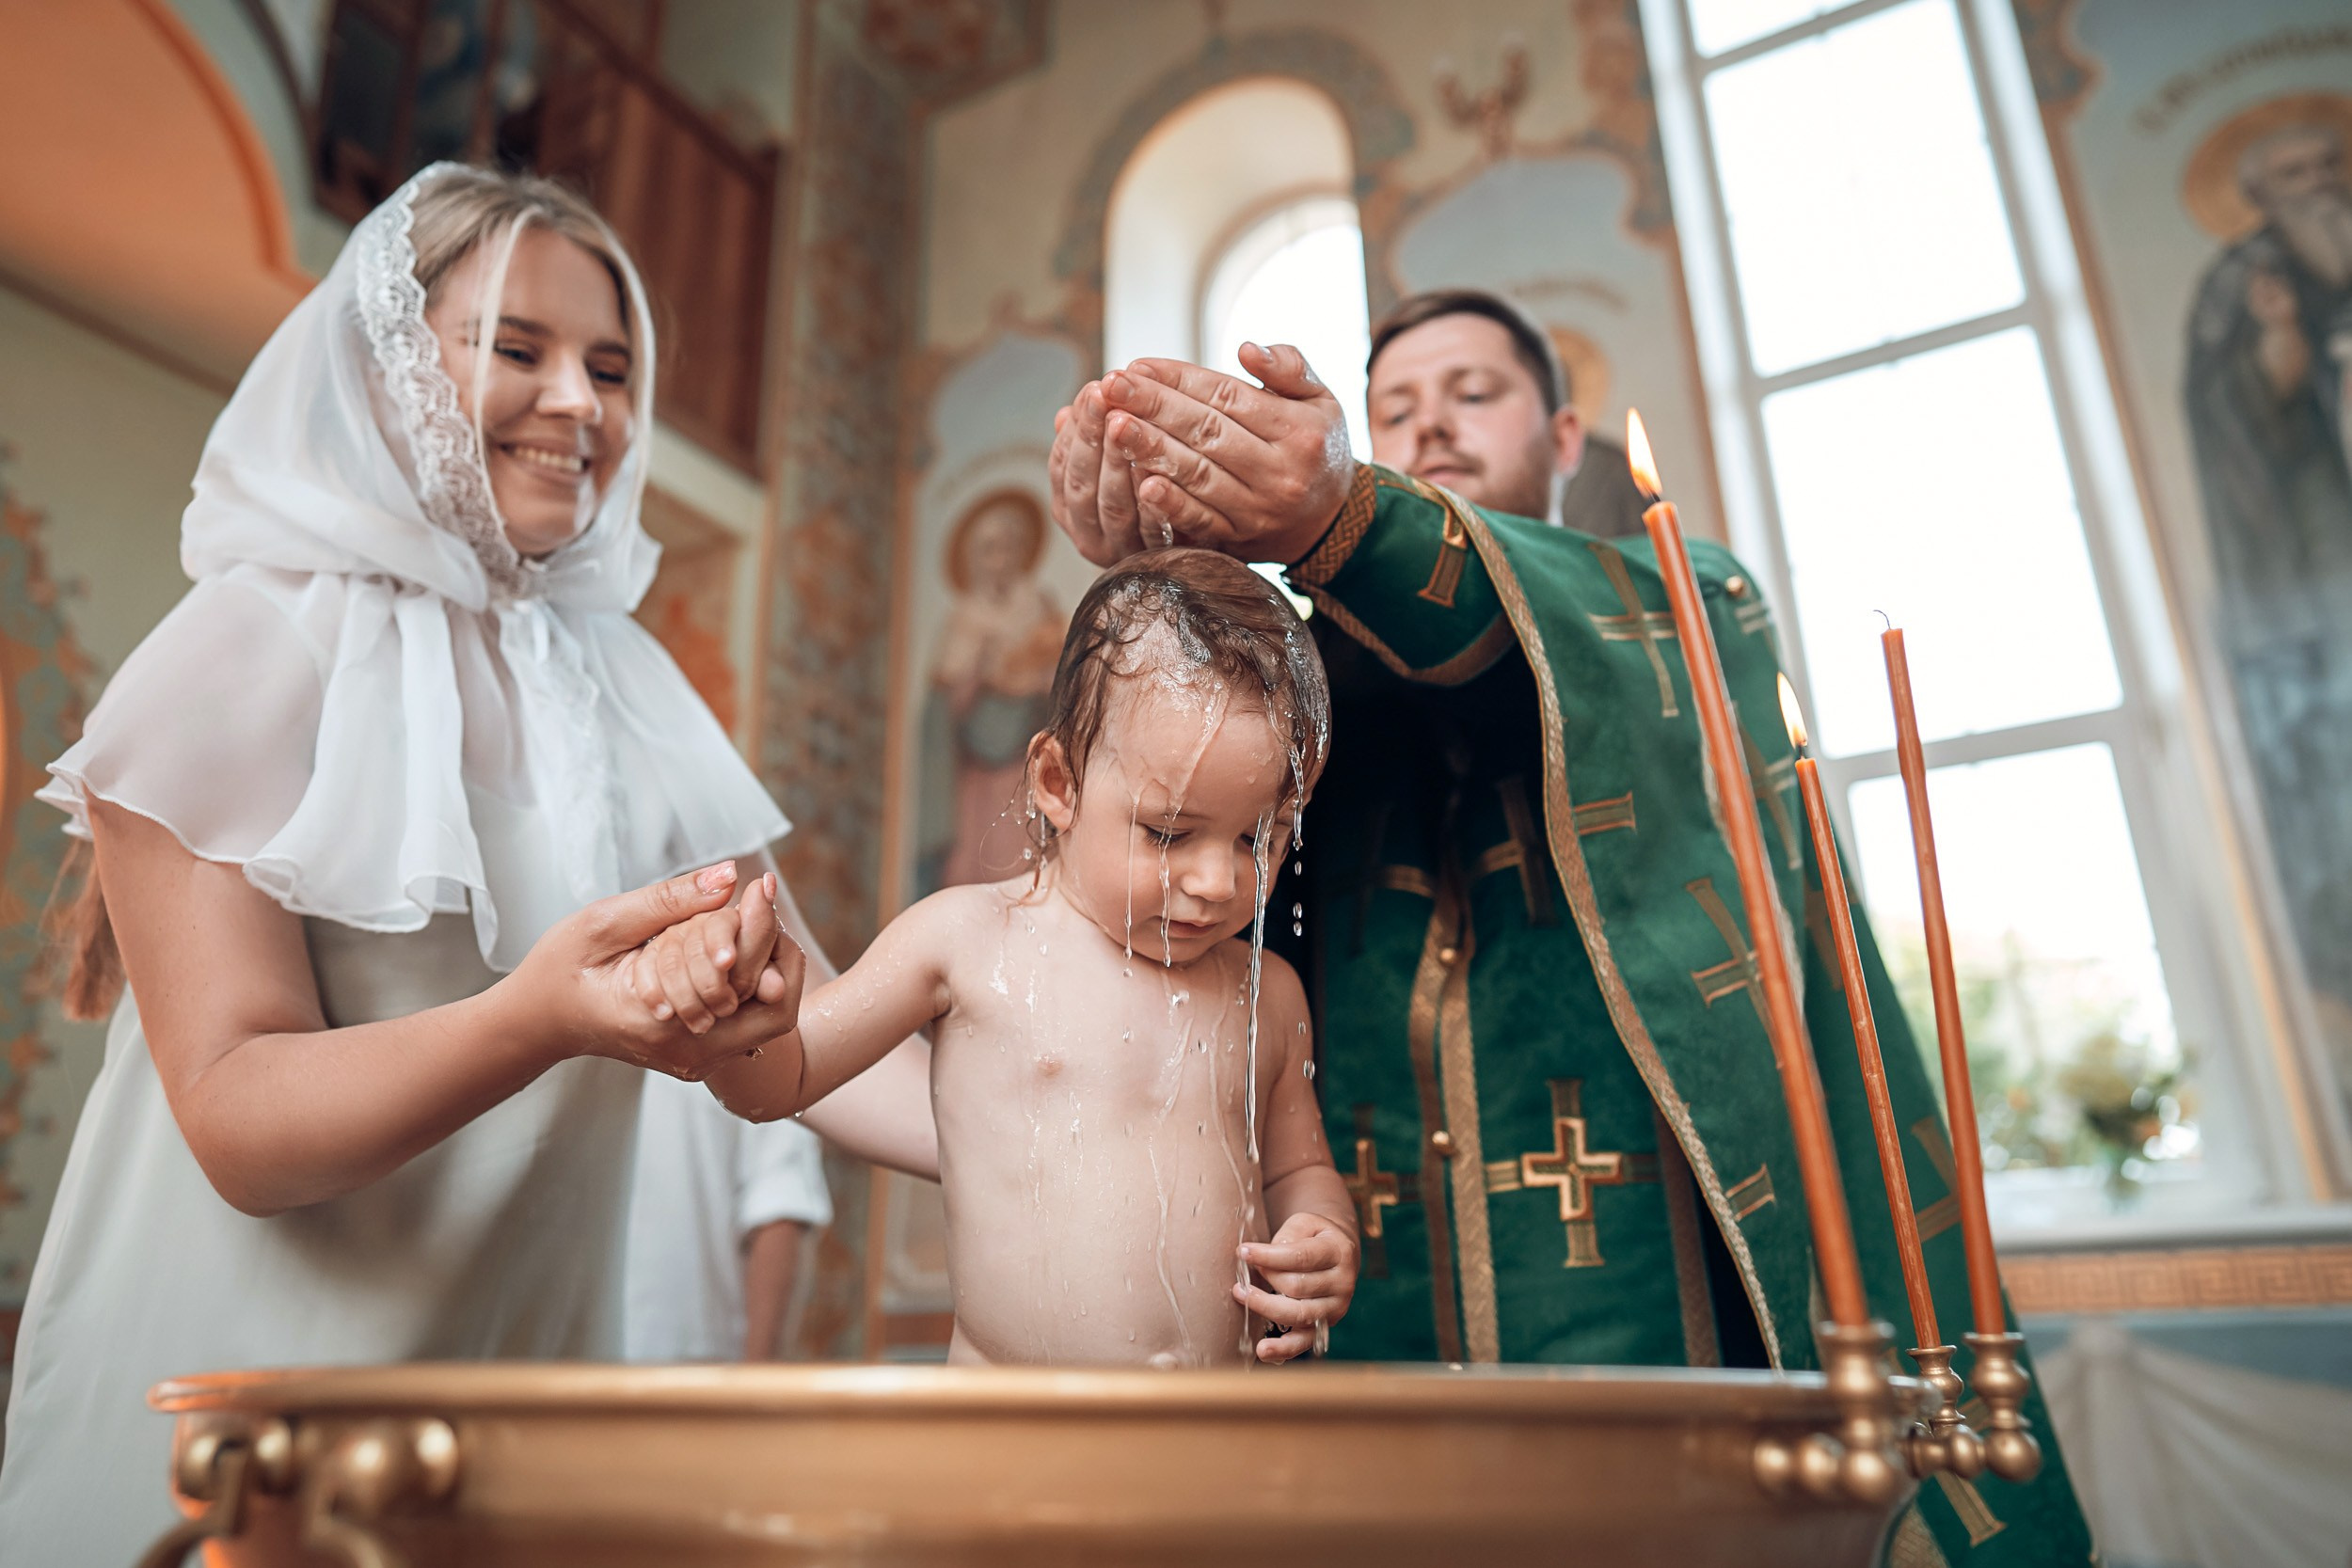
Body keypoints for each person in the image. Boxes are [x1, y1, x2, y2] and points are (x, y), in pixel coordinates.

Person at [1045, 290, 2095, 1562]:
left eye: (1472, 392)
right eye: (1392, 412)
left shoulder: (1680, 601)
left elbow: (1500, 629)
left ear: (1565, 432)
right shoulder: (1313, 674)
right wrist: (1165, 578)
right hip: (1365, 1319)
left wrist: (1349, 516)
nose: (1429, 422)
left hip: (1662, 1316)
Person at [0, 165, 930, 1560]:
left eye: (611, 368)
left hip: (507, 1440)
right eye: (518, 348)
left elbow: (809, 1026)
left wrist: (1091, 1121)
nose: (584, 405)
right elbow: (240, 1120)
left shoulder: (631, 683)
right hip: (241, 1435)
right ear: (392, 367)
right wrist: (538, 1016)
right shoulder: (245, 644)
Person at [639, 548, 1359, 1367]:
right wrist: (740, 1021)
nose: (1217, 879)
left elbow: (1300, 1168)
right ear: (1058, 782)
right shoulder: (966, 941)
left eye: (1257, 836)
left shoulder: (1269, 995)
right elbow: (787, 1077)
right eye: (1169, 832)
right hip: (1011, 1433)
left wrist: (1322, 1234)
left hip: (1217, 1445)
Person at [2184, 119, 2352, 1064]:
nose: (2321, 178)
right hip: (2314, 559)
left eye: (2329, 159)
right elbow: (2233, 414)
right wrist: (2281, 341)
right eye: (2296, 169)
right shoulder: (2242, 284)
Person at [624, 1075, 833, 1362]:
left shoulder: (756, 1046)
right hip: (563, 1353)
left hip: (697, 1357)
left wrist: (755, 1381)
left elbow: (778, 1211)